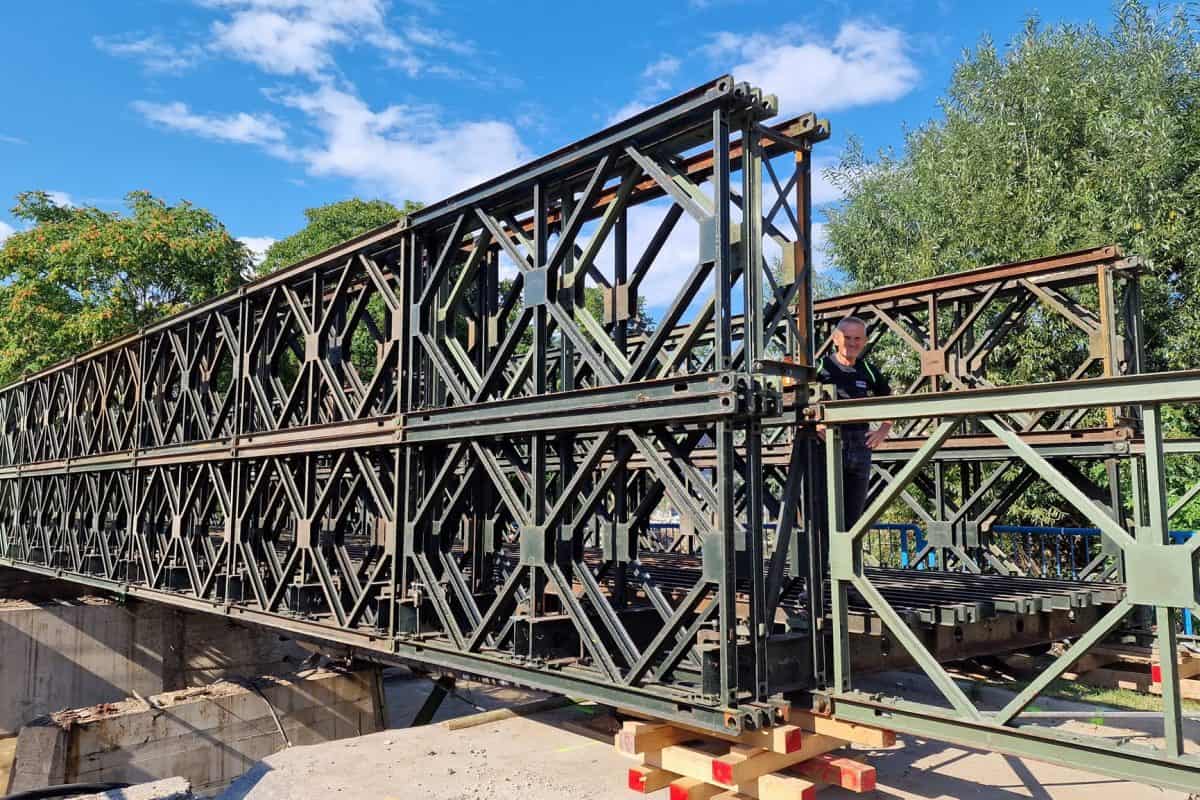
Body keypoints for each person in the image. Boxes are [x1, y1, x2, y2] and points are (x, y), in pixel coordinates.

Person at [817, 316, 893, 526]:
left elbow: (890, 399)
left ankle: (850, 548)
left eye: (857, 338)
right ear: (835, 339)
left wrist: (884, 429)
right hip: (827, 443)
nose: (852, 343)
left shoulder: (868, 370)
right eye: (847, 337)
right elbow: (799, 398)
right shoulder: (821, 366)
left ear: (865, 341)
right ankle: (824, 549)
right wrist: (815, 424)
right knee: (823, 514)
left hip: (860, 445)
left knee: (854, 516)